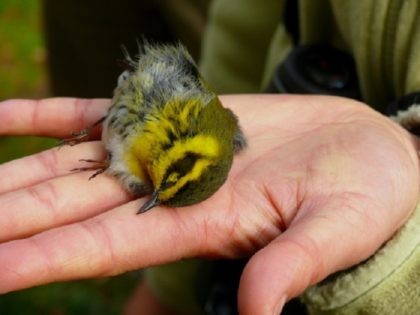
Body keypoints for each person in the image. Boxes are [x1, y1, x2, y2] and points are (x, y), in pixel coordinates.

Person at [1, 1, 419, 315]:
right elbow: (248, 23)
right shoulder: (174, 129)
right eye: (165, 183)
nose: (152, 185)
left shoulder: (180, 139)